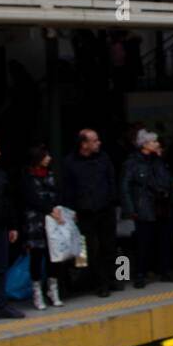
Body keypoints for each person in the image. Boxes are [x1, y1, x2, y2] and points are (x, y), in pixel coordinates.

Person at [62, 128, 119, 299]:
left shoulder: (103, 157)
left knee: (109, 245)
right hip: (85, 212)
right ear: (84, 144)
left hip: (105, 208)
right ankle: (98, 282)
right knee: (88, 249)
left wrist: (112, 200)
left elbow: (111, 179)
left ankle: (112, 278)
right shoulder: (70, 162)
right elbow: (68, 188)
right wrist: (72, 210)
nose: (98, 143)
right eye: (94, 141)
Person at [120, 131, 173, 288]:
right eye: (154, 142)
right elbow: (125, 186)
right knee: (144, 242)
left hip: (162, 206)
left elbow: (167, 180)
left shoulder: (159, 161)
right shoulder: (132, 162)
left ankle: (164, 270)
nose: (157, 144)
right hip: (144, 207)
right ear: (145, 144)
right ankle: (140, 273)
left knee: (164, 240)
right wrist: (130, 209)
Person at [21, 144, 66, 311]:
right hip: (36, 223)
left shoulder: (51, 174)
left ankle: (53, 291)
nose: (49, 158)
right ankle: (37, 293)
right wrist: (48, 210)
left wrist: (59, 210)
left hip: (53, 221)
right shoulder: (28, 177)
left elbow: (58, 193)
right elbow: (31, 198)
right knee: (36, 257)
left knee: (53, 256)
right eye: (45, 156)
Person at [0, 138, 22, 320]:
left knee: (0, 268)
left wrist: (12, 226)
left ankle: (1, 305)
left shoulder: (0, 174)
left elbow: (8, 201)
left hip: (0, 228)